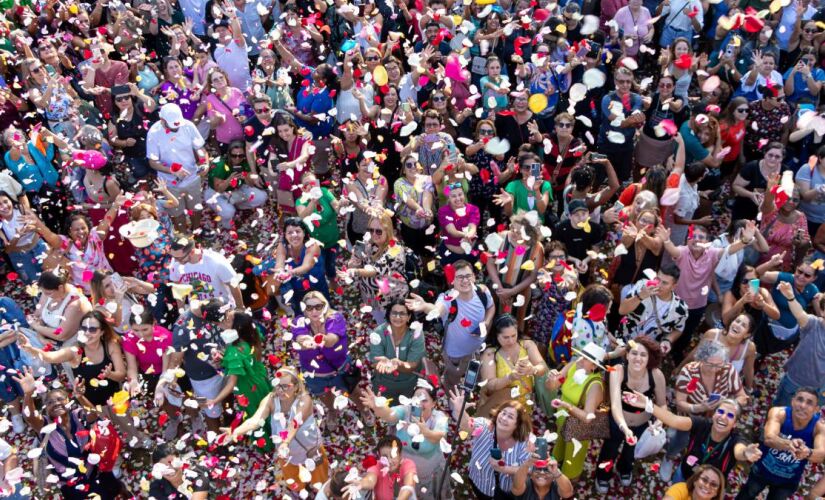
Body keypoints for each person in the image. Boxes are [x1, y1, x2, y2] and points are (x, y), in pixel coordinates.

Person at [656, 221, 757, 363]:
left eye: (701, 237)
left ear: (708, 242)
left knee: (687, 332)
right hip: (676, 303)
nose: (697, 239)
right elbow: (672, 249)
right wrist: (666, 240)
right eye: (693, 236)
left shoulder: (712, 254)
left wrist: (745, 240)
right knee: (668, 328)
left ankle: (677, 353)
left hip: (697, 305)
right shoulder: (683, 252)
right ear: (687, 240)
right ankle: (659, 351)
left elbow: (730, 249)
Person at [223, 366, 329, 495]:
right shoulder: (271, 399)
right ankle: (301, 492)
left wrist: (285, 442)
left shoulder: (304, 400)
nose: (280, 390)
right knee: (295, 481)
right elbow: (256, 420)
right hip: (288, 455)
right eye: (277, 385)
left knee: (319, 481)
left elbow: (294, 424)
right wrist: (236, 431)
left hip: (310, 450)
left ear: (296, 387)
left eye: (285, 386)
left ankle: (320, 494)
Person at [405, 260, 495, 390]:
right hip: (456, 355)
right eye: (459, 277)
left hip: (478, 349)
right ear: (452, 280)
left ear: (474, 277)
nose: (465, 280)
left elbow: (491, 307)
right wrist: (425, 306)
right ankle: (452, 397)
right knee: (452, 379)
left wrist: (486, 322)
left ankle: (472, 391)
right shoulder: (447, 299)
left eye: (468, 276)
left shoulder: (482, 291)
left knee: (476, 374)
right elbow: (437, 309)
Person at [595, 336, 667, 492]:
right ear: (627, 355)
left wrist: (659, 423)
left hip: (643, 425)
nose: (638, 358)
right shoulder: (618, 371)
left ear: (649, 359)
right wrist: (624, 427)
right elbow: (615, 404)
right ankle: (603, 476)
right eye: (634, 353)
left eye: (643, 355)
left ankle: (624, 469)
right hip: (618, 422)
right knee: (610, 449)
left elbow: (662, 404)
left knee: (631, 451)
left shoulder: (656, 375)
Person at [359, 380, 450, 499]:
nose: (419, 404)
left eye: (425, 400)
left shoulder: (439, 418)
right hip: (404, 470)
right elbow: (389, 415)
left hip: (429, 470)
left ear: (434, 403)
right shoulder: (405, 410)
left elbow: (439, 436)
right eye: (416, 399)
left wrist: (426, 432)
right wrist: (377, 406)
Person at [736, 387, 825, 500]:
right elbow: (768, 438)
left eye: (809, 403)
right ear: (792, 401)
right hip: (762, 470)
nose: (802, 405)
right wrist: (789, 444)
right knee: (747, 495)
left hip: (788, 481)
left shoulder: (819, 427)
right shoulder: (779, 413)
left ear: (816, 409)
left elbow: (821, 454)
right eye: (800, 400)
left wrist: (808, 452)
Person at [448, 392, 533, 500]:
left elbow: (529, 470)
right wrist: (460, 411)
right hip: (479, 483)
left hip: (504, 492)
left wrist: (505, 469)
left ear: (517, 424)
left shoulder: (524, 443)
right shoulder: (485, 426)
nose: (504, 418)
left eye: (510, 417)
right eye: (503, 413)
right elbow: (467, 425)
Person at [544, 342, 606, 480]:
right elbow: (552, 386)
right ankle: (555, 470)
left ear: (594, 366)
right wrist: (551, 379)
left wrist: (567, 406)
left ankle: (567, 483)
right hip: (562, 422)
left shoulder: (594, 385)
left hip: (577, 429)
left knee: (571, 461)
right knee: (559, 451)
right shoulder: (572, 366)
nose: (580, 360)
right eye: (580, 355)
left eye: (585, 358)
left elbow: (588, 417)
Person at [146, 103, 208, 233]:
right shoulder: (154, 133)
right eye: (173, 125)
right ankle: (183, 236)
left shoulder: (188, 126)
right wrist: (172, 171)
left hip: (192, 177)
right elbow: (153, 162)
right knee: (176, 211)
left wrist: (204, 162)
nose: (177, 128)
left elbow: (200, 148)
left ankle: (196, 230)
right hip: (169, 182)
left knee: (195, 207)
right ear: (162, 121)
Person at [342, 213, 409, 324]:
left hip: (389, 296)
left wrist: (355, 271)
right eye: (371, 230)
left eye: (378, 231)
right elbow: (355, 261)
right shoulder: (368, 242)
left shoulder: (395, 249)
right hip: (370, 293)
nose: (374, 234)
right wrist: (354, 261)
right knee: (378, 317)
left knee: (390, 322)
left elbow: (375, 270)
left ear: (388, 230)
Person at [477, 314, 548, 417]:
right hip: (500, 406)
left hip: (524, 404)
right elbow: (490, 385)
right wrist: (510, 377)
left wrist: (533, 369)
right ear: (496, 335)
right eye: (505, 337)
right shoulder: (490, 353)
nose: (510, 341)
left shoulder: (527, 345)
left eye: (513, 336)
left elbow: (543, 367)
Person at [772, 281, 825, 406]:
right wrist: (790, 297)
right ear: (822, 311)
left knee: (804, 417)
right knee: (780, 410)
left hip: (819, 389)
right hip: (795, 381)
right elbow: (800, 314)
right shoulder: (813, 324)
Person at [678, 314, 758, 394]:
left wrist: (748, 388)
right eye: (737, 321)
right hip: (699, 380)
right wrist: (680, 368)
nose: (737, 325)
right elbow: (696, 353)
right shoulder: (712, 335)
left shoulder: (749, 348)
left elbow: (749, 369)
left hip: (723, 389)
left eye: (743, 325)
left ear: (747, 335)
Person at [618, 265, 689, 352]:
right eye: (657, 279)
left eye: (664, 283)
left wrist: (668, 340)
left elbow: (678, 329)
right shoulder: (642, 286)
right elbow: (622, 310)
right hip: (622, 340)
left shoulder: (680, 308)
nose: (658, 285)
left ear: (673, 286)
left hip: (645, 350)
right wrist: (640, 296)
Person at [367, 299, 425, 401]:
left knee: (406, 409)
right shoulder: (378, 333)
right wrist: (381, 364)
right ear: (388, 315)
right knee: (384, 410)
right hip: (385, 381)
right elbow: (375, 363)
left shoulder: (416, 333)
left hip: (409, 381)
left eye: (402, 314)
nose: (398, 317)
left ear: (409, 317)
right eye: (394, 313)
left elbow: (413, 365)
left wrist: (399, 364)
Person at [168, 236, 243, 308]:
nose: (176, 261)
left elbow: (233, 285)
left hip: (222, 306)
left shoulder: (215, 261)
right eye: (174, 257)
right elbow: (178, 288)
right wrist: (181, 311)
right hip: (196, 309)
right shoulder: (175, 263)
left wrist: (240, 308)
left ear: (192, 252)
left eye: (179, 258)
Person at [346, 435, 418, 500]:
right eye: (384, 456)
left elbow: (409, 485)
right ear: (379, 456)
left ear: (400, 455)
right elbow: (370, 480)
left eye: (393, 456)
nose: (389, 461)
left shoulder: (408, 464)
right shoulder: (376, 466)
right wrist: (362, 483)